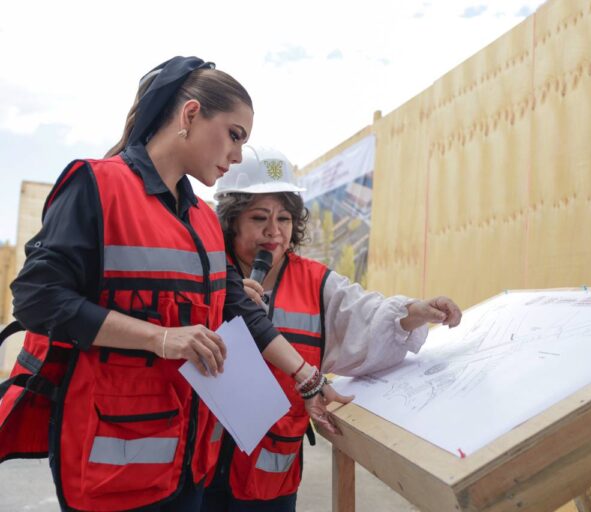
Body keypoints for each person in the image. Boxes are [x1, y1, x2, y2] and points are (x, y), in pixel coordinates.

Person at [0, 56, 348, 512]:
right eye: (234, 135)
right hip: (109, 464)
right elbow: (36, 299)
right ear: (190, 116)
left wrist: (307, 379)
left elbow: (235, 309)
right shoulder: (97, 186)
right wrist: (160, 338)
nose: (239, 155)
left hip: (189, 463)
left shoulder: (203, 219)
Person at [202, 146, 462, 511]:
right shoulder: (204, 270)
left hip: (270, 476)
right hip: (200, 471)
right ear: (231, 221)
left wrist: (414, 312)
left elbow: (365, 316)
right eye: (259, 218)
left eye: (285, 219)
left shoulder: (315, 282)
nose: (273, 232)